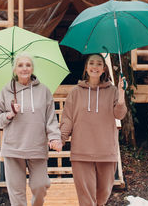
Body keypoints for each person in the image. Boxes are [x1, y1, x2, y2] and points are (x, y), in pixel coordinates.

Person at [0, 52, 62, 206]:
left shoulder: (44, 90)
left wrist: (54, 137)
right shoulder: (6, 91)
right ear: (15, 70)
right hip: (13, 148)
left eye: (28, 65)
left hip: (37, 146)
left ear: (32, 68)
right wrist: (10, 114)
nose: (24, 68)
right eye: (20, 65)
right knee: (16, 193)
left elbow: (51, 118)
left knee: (40, 186)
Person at [60, 53, 127, 206]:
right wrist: (61, 138)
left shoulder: (112, 91)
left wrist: (121, 93)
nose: (94, 66)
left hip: (106, 152)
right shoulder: (75, 92)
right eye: (91, 63)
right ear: (86, 67)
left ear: (104, 69)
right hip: (81, 152)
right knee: (87, 201)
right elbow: (67, 118)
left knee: (102, 197)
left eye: (98, 64)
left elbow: (120, 114)